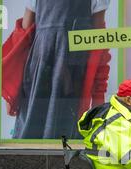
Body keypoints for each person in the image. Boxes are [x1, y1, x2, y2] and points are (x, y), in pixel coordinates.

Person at [12, 0, 111, 139]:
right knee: (31, 133)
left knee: (68, 134)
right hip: (38, 73)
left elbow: (98, 45)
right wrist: (14, 89)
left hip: (73, 76)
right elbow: (22, 39)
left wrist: (98, 96)